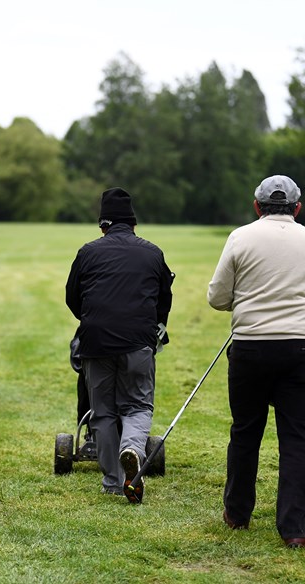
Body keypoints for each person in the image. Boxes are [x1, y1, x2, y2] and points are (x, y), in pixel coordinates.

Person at [207, 174, 305, 548]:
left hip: (250, 348)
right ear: (297, 208)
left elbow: (217, 298)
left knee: (245, 432)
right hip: (299, 350)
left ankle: (237, 514)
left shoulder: (239, 238)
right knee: (296, 438)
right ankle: (294, 528)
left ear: (257, 207)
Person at [65, 187, 174, 503]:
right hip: (138, 341)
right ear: (134, 223)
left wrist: (92, 319)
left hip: (95, 341)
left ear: (103, 224)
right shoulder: (153, 253)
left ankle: (113, 481)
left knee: (103, 411)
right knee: (137, 404)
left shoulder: (87, 252)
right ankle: (132, 449)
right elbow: (164, 300)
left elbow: (72, 298)